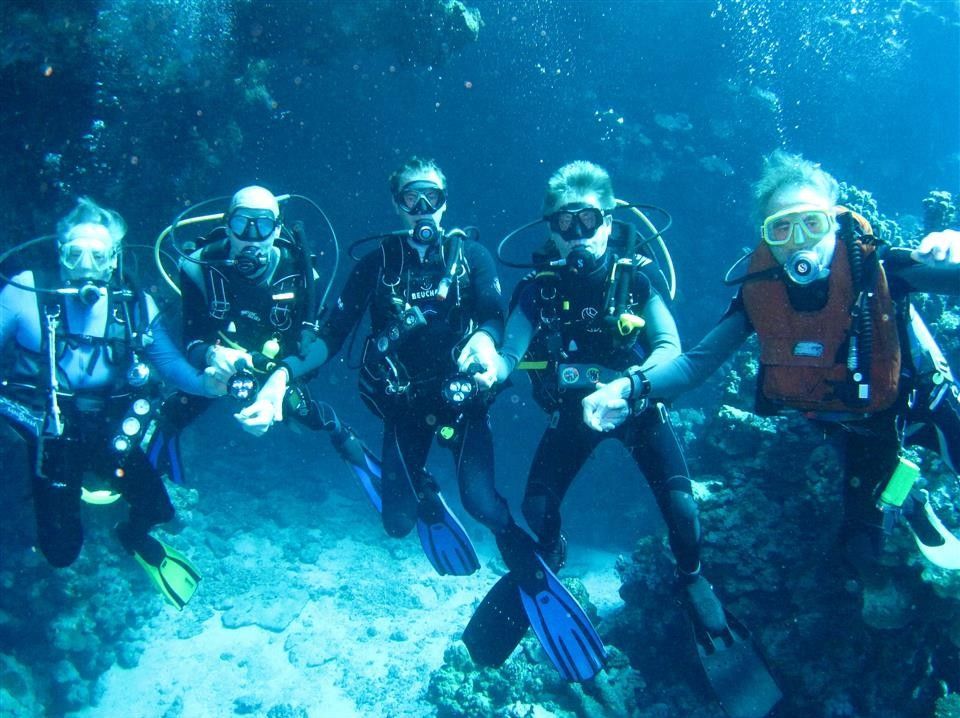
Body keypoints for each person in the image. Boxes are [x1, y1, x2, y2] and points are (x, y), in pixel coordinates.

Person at [465, 162, 779, 699]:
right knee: (538, 511)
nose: (577, 236)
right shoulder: (536, 290)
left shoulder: (636, 277)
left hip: (633, 406)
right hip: (572, 416)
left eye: (587, 221)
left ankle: (693, 579)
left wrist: (626, 389)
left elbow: (669, 349)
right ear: (550, 231)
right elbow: (512, 349)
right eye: (563, 225)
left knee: (682, 508)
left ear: (609, 221)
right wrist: (490, 363)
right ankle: (550, 556)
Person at [583, 150, 960, 573]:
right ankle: (911, 500)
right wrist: (629, 387)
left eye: (812, 223)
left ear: (834, 221)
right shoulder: (759, 293)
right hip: (855, 427)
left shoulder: (882, 266)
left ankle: (907, 491)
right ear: (767, 239)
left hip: (921, 402)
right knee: (860, 552)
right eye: (781, 228)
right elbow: (694, 365)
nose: (799, 241)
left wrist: (952, 248)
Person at [309, 157, 606, 680]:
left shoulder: (471, 255)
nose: (423, 208)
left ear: (446, 201)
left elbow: (494, 312)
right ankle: (417, 489)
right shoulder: (377, 264)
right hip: (402, 407)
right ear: (397, 203)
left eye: (432, 197)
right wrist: (284, 374)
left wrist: (484, 342)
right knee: (397, 522)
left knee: (482, 503)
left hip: (461, 403)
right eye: (411, 198)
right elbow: (332, 334)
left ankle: (524, 552)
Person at [0, 198, 218, 609]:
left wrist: (212, 384)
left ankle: (130, 536)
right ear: (59, 252)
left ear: (113, 258)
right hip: (50, 433)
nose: (85, 263)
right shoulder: (25, 292)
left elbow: (171, 366)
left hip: (111, 431)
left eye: (97, 255)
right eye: (74, 252)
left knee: (159, 510)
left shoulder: (134, 304)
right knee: (62, 553)